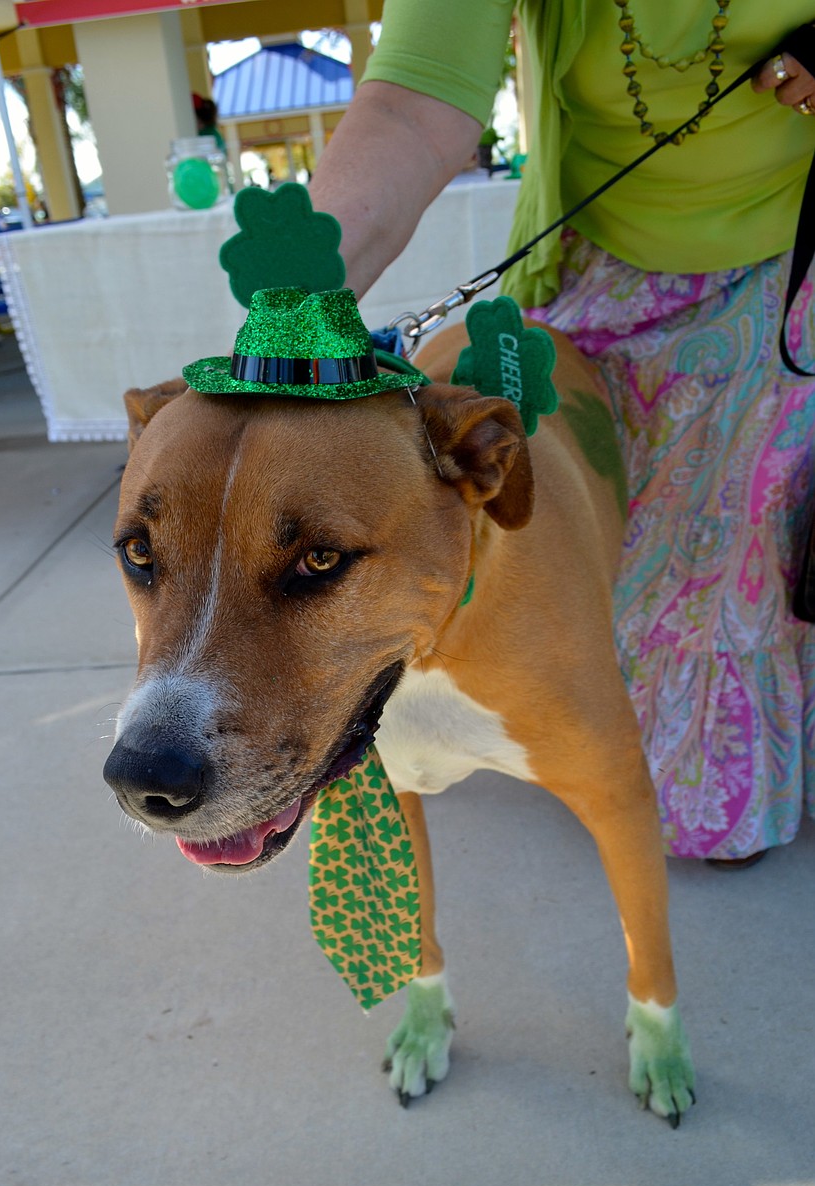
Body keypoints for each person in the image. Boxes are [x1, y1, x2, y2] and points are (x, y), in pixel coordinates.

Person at [308, 3, 815, 865]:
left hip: (778, 262)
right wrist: (296, 308)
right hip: (588, 262)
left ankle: (712, 773)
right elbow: (410, 103)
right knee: (580, 532)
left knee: (724, 552)